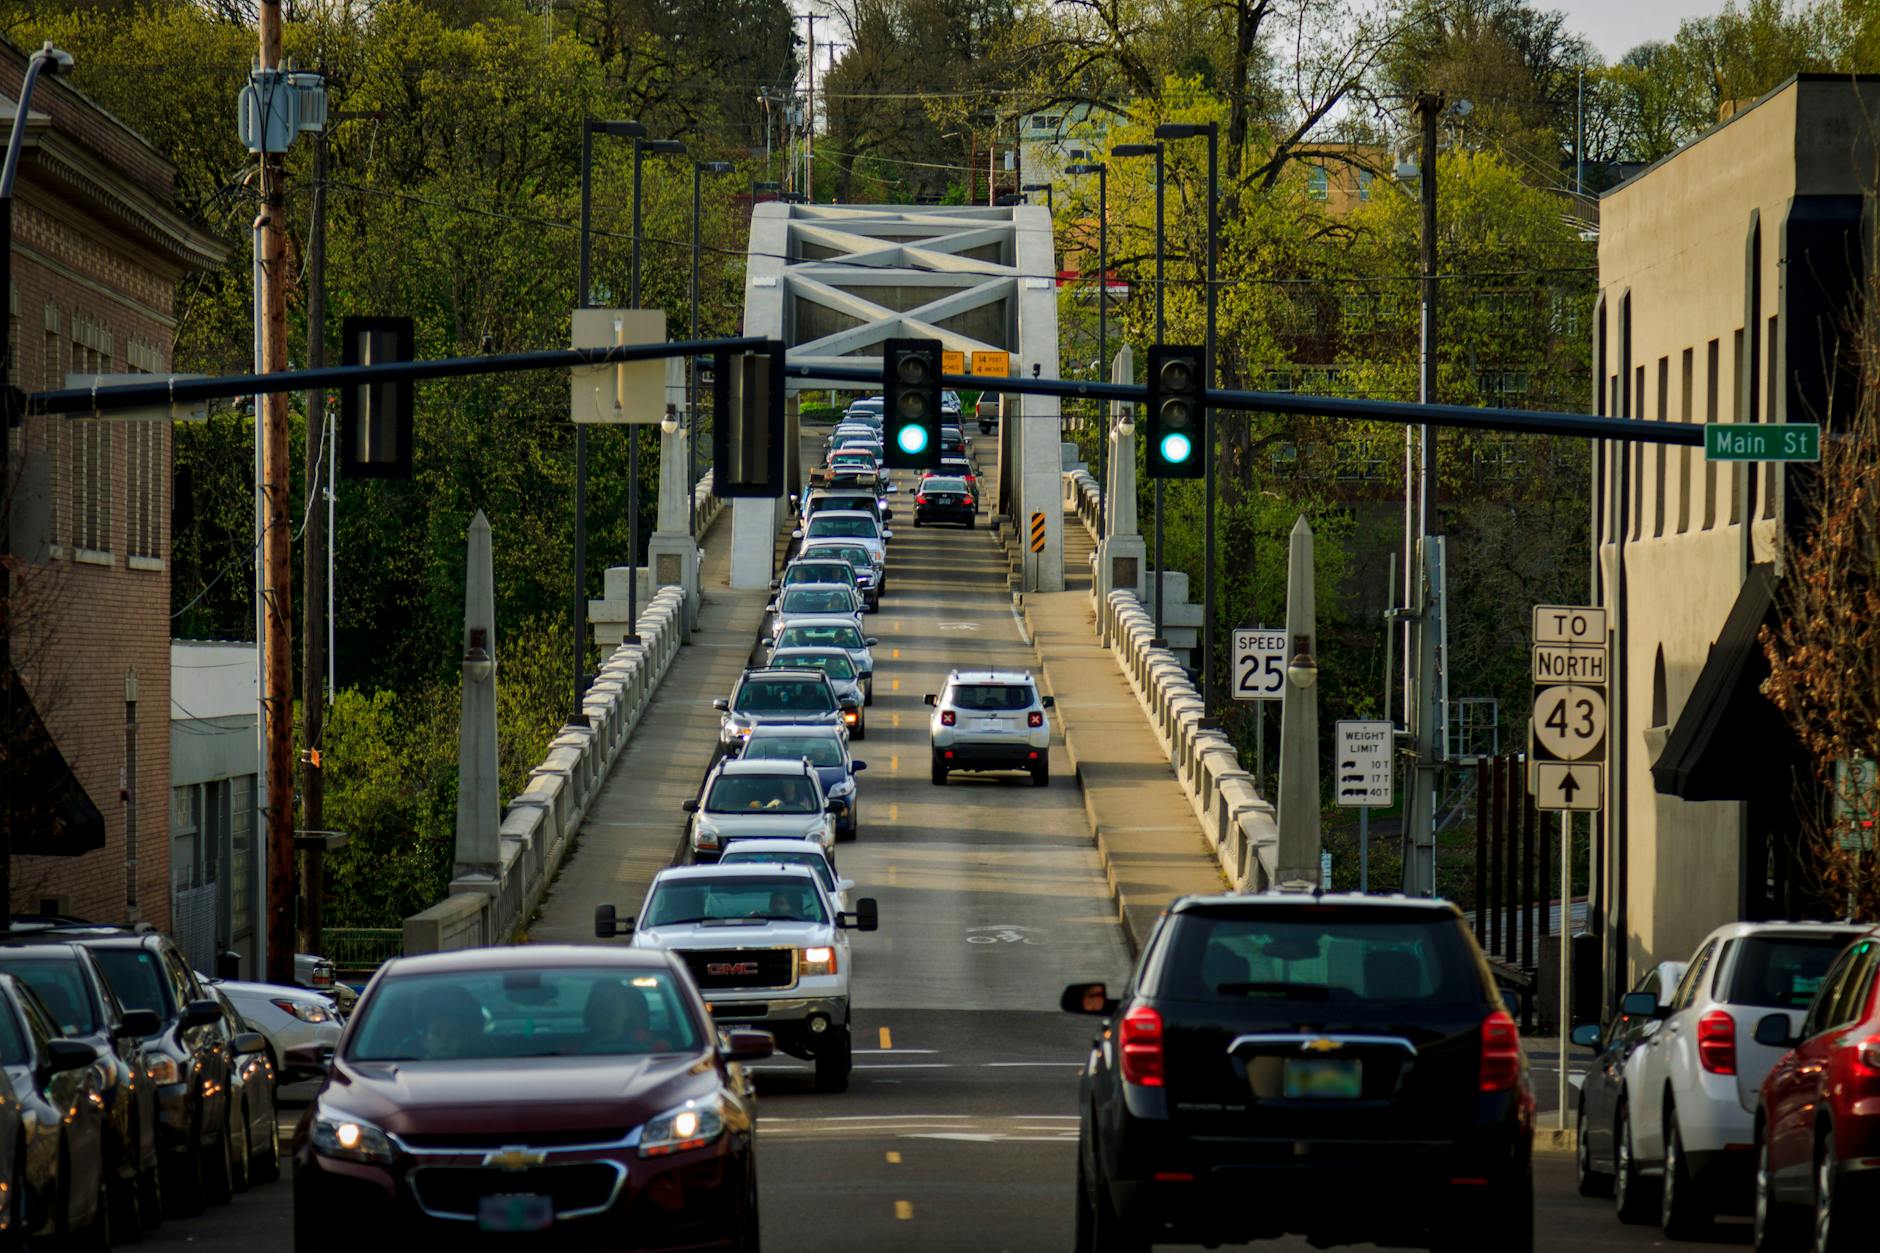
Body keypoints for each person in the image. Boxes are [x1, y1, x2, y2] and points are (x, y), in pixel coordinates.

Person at [413, 984, 483, 1059]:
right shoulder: (410, 1065)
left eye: (452, 1034)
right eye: (437, 1033)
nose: (445, 1040)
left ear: (463, 1040)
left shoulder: (478, 1064)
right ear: (424, 1040)